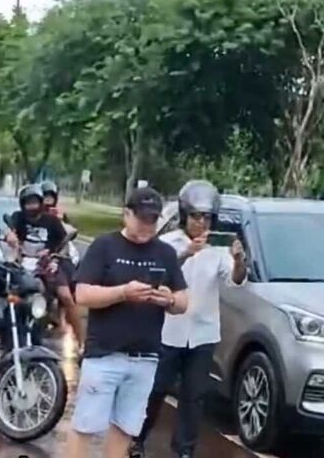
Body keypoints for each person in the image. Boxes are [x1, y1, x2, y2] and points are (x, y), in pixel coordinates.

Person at [66, 187, 189, 458]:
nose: (147, 226)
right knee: (86, 426)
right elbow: (82, 294)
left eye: (153, 220)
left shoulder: (165, 253)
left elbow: (183, 302)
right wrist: (123, 292)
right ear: (126, 214)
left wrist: (167, 299)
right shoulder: (105, 246)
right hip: (105, 355)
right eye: (142, 219)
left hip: (145, 359)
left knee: (125, 428)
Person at [128, 180, 246, 458]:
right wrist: (186, 254)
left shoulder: (218, 249)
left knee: (194, 398)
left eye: (206, 217)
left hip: (203, 334)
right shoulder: (167, 244)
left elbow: (234, 280)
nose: (201, 223)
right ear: (184, 214)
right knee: (155, 390)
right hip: (168, 332)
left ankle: (184, 450)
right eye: (195, 216)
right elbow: (158, 278)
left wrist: (239, 261)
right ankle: (136, 438)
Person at [5, 184, 85, 349]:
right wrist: (11, 237)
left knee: (65, 296)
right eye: (28, 203)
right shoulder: (18, 218)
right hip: (23, 264)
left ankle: (82, 341)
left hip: (48, 264)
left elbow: (63, 243)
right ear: (22, 204)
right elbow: (9, 231)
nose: (32, 206)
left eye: (35, 202)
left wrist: (53, 258)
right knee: (6, 293)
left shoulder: (53, 221)